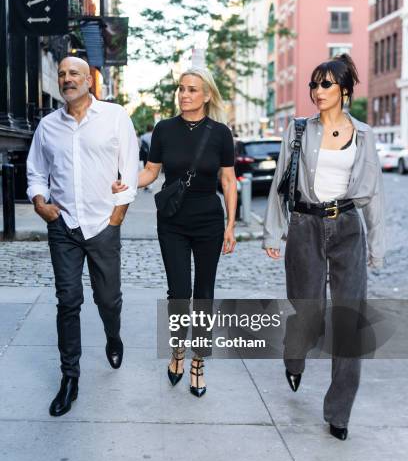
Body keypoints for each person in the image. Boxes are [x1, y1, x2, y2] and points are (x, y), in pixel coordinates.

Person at [263, 54, 385, 440]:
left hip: (347, 227)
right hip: (305, 225)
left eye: (326, 84)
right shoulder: (298, 131)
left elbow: (374, 194)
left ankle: (339, 413)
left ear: (345, 90)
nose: (317, 91)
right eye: (314, 85)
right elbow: (279, 184)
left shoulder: (363, 135)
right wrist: (273, 232)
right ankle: (294, 354)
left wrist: (376, 247)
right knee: (309, 314)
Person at [113, 67, 237, 396]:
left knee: (204, 293)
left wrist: (230, 225)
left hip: (209, 220)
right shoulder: (164, 130)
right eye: (181, 88)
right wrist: (124, 182)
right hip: (172, 222)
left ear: (207, 95)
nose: (184, 94)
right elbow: (151, 173)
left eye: (192, 89)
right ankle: (177, 350)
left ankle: (199, 361)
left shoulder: (221, 133)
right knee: (179, 293)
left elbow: (228, 181)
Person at [26, 56, 139, 417]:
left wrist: (118, 214)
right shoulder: (47, 126)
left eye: (73, 73)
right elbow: (35, 173)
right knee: (68, 301)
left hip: (103, 224)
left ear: (90, 80)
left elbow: (130, 167)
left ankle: (113, 335)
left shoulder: (115, 117)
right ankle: (69, 377)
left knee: (108, 298)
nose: (66, 79)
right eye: (61, 74)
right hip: (63, 226)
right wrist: (39, 202)